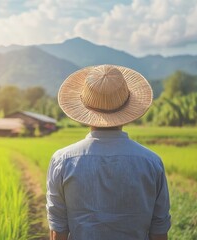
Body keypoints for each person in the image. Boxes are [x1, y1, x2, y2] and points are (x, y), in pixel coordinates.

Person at [46, 65, 171, 240]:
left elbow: (58, 229)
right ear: (127, 107)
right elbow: (159, 229)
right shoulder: (151, 162)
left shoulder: (62, 160)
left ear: (85, 108)